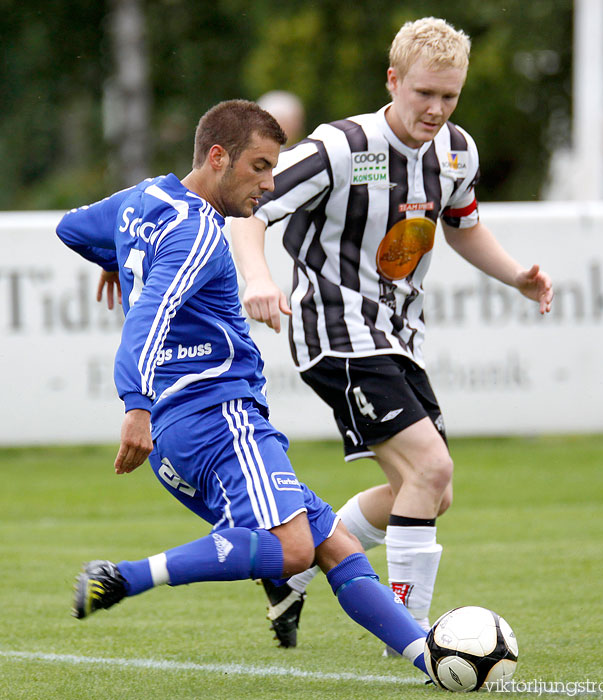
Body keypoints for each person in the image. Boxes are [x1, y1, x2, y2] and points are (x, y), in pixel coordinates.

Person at [55, 99, 431, 677]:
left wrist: (117, 256)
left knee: (334, 544)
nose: (269, 182)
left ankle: (430, 657)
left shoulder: (146, 199)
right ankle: (125, 576)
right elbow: (148, 316)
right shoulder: (201, 233)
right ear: (217, 157)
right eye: (259, 167)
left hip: (191, 431)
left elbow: (70, 227)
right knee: (293, 550)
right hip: (218, 417)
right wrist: (135, 407)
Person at [230, 18, 553, 652]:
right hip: (336, 329)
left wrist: (515, 274)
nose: (436, 109)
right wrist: (257, 278)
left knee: (431, 491)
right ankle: (408, 636)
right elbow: (251, 206)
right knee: (430, 467)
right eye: (424, 93)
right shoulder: (341, 145)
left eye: (450, 96)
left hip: (398, 333)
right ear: (393, 81)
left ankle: (290, 565)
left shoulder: (457, 150)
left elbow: (461, 226)